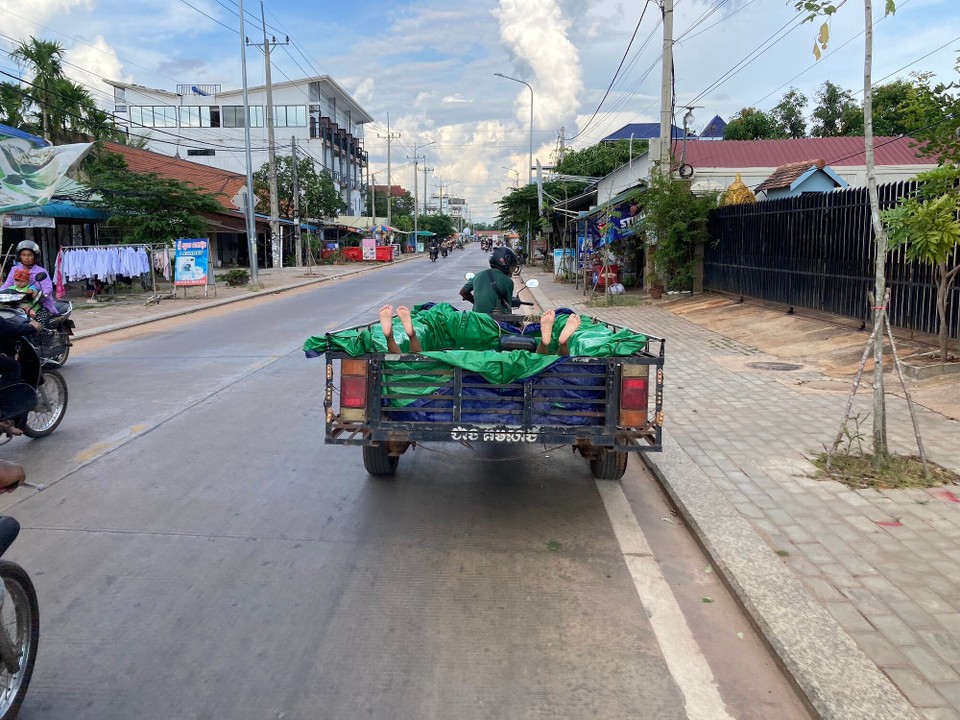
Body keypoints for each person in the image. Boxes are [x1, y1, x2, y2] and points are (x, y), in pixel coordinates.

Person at [1, 240, 58, 326]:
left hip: (39, 304)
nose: (27, 258)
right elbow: (7, 285)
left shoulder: (41, 271)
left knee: (38, 325)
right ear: (19, 256)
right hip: (17, 303)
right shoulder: (14, 270)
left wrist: (41, 294)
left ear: (35, 256)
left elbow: (48, 288)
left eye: (30, 255)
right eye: (24, 255)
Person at [460, 246, 519, 314]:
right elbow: (508, 307)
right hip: (497, 321)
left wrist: (475, 302)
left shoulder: (478, 275)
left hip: (476, 318)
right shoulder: (508, 281)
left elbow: (463, 293)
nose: (514, 269)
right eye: (513, 265)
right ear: (506, 264)